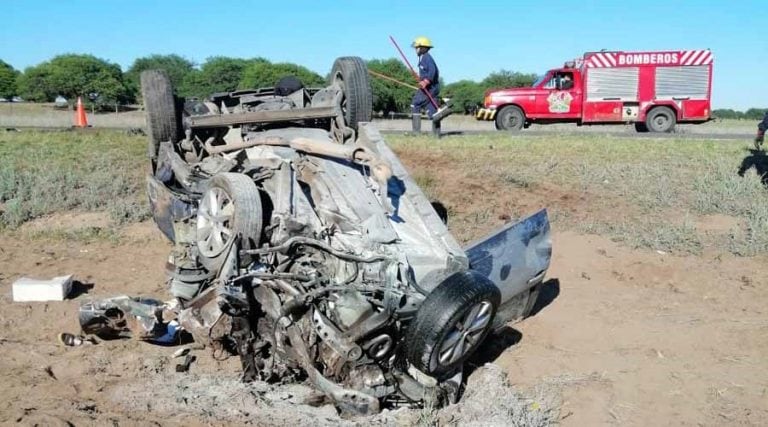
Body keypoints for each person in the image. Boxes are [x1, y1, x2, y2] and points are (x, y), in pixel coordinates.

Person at [411, 36, 440, 132]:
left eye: (417, 48)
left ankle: (416, 132)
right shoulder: (423, 58)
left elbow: (433, 71)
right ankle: (436, 134)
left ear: (423, 48)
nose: (415, 50)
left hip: (430, 88)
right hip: (431, 88)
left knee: (415, 104)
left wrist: (426, 81)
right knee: (432, 110)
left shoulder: (427, 58)